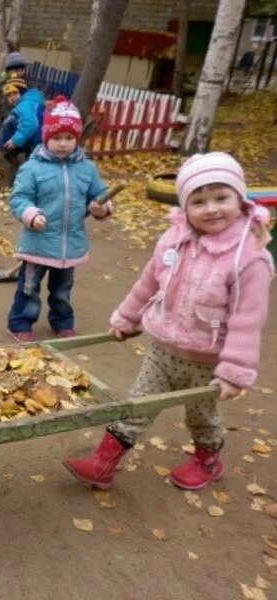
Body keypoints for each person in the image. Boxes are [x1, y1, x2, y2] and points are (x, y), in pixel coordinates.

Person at [64, 152, 274, 491]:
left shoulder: (249, 258)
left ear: (241, 199)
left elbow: (247, 319)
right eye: (199, 201)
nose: (211, 209)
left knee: (200, 417)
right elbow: (148, 283)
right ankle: (102, 464)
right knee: (136, 404)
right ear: (185, 206)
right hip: (163, 348)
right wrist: (126, 317)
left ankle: (208, 460)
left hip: (208, 360)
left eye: (221, 198)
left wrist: (234, 370)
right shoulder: (173, 241)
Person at [6, 96, 111, 342]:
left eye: (69, 138)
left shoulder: (87, 169)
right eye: (56, 138)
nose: (63, 144)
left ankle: (63, 321)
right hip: (38, 242)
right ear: (46, 138)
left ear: (77, 138)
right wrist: (30, 215)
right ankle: (20, 322)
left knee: (63, 289)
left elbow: (99, 195)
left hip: (70, 244)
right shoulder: (32, 168)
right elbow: (19, 199)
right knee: (29, 288)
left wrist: (101, 208)